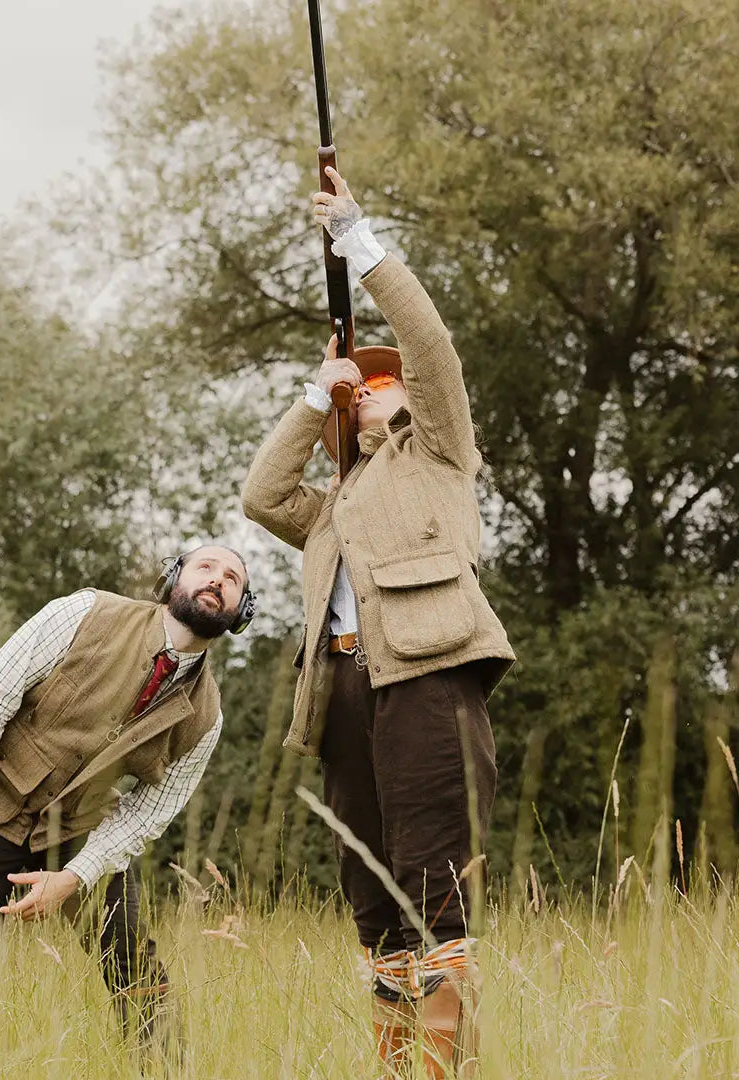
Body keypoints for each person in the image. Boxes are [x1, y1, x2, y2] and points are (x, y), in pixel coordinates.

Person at [241, 166, 515, 1076]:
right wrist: (320, 392)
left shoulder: (439, 451)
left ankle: (445, 1071)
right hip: (346, 697)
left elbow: (430, 346)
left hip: (429, 681)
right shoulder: (329, 507)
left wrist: (359, 241)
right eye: (364, 389)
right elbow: (260, 493)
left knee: (437, 890)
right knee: (375, 903)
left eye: (379, 386)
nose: (373, 390)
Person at [0, 545, 256, 1066]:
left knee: (134, 969)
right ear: (173, 578)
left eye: (233, 579)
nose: (218, 580)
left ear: (241, 611)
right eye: (206, 568)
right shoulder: (82, 613)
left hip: (78, 830)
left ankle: (168, 1071)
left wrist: (75, 875)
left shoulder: (206, 717)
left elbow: (148, 813)